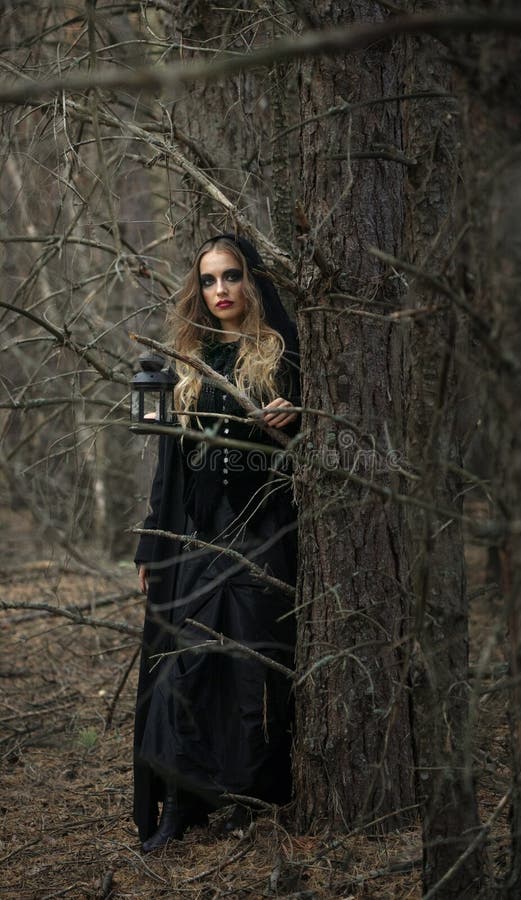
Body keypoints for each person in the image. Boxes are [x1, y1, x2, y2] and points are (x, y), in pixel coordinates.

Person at [133, 234, 300, 853]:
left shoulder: (282, 352)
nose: (221, 290)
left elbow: (312, 437)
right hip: (200, 542)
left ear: (251, 282)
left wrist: (297, 415)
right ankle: (180, 803)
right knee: (187, 668)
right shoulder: (187, 361)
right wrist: (154, 549)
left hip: (263, 540)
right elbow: (168, 465)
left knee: (249, 676)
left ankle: (247, 800)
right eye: (208, 280)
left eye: (231, 276)